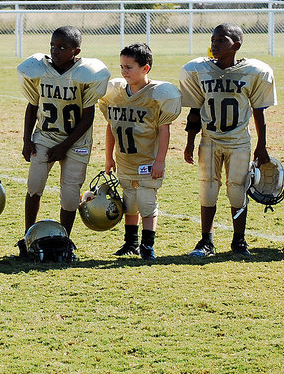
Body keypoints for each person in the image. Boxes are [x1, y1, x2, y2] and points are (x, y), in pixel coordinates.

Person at [180, 23, 276, 257]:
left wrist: (262, 144)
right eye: (213, 39)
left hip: (239, 141)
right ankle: (206, 241)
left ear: (236, 45)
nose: (215, 43)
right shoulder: (198, 70)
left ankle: (239, 240)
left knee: (237, 191)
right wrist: (190, 142)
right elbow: (195, 109)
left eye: (222, 40)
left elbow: (259, 111)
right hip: (209, 139)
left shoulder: (253, 71)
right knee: (208, 189)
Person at [17, 26, 110, 253]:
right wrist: (26, 140)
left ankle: (64, 241)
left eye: (62, 47)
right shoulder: (38, 70)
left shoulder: (86, 74)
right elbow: (32, 106)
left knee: (69, 196)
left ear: (76, 51)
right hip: (45, 136)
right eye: (53, 46)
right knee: (34, 185)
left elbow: (88, 118)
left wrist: (64, 146)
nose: (55, 51)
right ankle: (29, 237)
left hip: (75, 141)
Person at [98, 43, 182, 260]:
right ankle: (131, 242)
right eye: (122, 66)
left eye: (129, 67)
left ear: (145, 69)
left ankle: (147, 245)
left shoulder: (157, 94)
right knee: (130, 201)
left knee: (146, 200)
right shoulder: (115, 93)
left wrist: (160, 161)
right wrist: (108, 157)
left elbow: (164, 130)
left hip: (147, 159)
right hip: (125, 159)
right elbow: (111, 127)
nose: (124, 71)